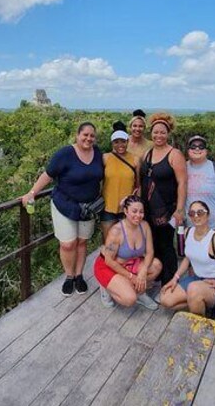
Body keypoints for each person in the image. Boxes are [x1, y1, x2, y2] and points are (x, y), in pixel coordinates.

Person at [21, 122, 104, 297]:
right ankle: (69, 276)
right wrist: (32, 193)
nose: (89, 138)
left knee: (82, 242)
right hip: (65, 204)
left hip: (88, 207)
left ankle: (79, 275)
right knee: (67, 244)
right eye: (85, 135)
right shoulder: (65, 154)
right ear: (77, 135)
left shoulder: (98, 153)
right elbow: (48, 174)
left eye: (92, 136)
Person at [160, 200, 215, 317]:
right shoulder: (188, 232)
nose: (196, 216)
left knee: (194, 289)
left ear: (208, 215)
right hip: (196, 280)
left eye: (200, 212)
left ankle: (201, 322)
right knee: (165, 299)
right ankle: (201, 304)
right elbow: (188, 257)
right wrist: (175, 278)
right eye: (192, 213)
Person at [140, 112, 186, 285]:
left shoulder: (174, 155)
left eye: (162, 132)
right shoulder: (147, 154)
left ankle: (169, 281)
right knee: (152, 244)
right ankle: (157, 274)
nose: (158, 135)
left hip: (166, 209)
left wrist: (179, 209)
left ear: (168, 134)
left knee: (166, 245)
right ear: (151, 133)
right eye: (155, 132)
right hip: (148, 208)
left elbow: (182, 183)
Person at [94, 195, 162, 309]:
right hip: (108, 266)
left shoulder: (144, 226)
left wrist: (143, 271)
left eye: (141, 212)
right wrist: (132, 277)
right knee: (129, 299)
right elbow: (109, 261)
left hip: (131, 263)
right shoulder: (116, 231)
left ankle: (140, 292)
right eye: (134, 211)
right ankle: (107, 287)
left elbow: (150, 252)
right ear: (125, 211)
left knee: (156, 265)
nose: (138, 215)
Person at [100, 121, 140, 240]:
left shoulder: (135, 159)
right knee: (109, 241)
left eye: (123, 141)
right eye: (116, 142)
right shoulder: (105, 158)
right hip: (108, 207)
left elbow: (138, 184)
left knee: (126, 241)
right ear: (112, 143)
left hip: (128, 208)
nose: (120, 145)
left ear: (127, 141)